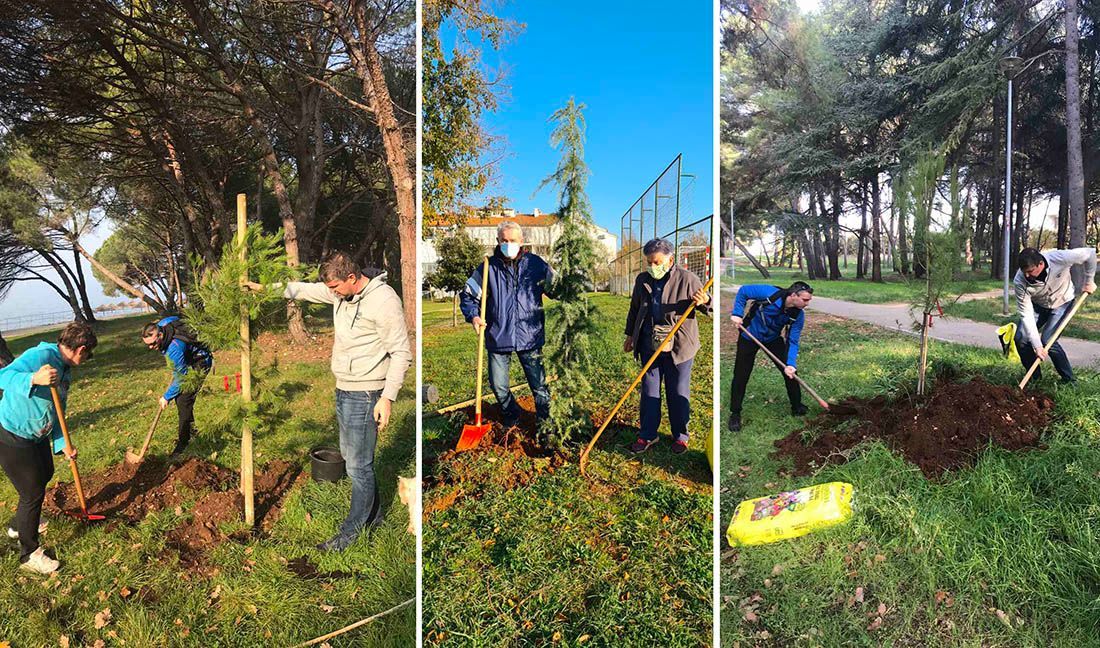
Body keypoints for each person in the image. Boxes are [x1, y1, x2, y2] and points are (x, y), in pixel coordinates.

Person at [247, 251, 411, 551]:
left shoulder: (384, 301)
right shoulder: (341, 293)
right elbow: (301, 289)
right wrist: (261, 287)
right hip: (344, 388)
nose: (331, 293)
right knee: (352, 460)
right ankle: (373, 517)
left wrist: (387, 398)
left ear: (352, 277)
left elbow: (401, 353)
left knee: (358, 467)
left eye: (335, 288)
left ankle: (350, 534)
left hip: (366, 393)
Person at [0, 322, 97, 574]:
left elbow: (57, 409)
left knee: (45, 474)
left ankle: (17, 526)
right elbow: (3, 376)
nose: (86, 359)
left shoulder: (65, 368)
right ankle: (29, 554)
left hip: (38, 434)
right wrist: (34, 377)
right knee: (31, 492)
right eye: (88, 355)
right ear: (81, 349)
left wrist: (62, 442)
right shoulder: (39, 356)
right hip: (12, 433)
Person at [459, 221, 553, 430]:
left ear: (521, 242)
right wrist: (474, 317)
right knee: (499, 386)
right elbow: (468, 295)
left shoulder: (536, 265)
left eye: (512, 241)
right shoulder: (487, 267)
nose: (508, 244)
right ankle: (512, 413)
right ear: (498, 241)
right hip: (498, 336)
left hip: (530, 336)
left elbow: (555, 288)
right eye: (504, 241)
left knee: (539, 386)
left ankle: (545, 423)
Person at [623, 239, 711, 454]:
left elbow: (711, 308)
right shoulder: (643, 280)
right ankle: (648, 435)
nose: (653, 267)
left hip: (679, 346)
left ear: (671, 259)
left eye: (657, 262)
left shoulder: (687, 279)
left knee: (677, 390)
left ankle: (680, 436)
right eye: (649, 262)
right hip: (648, 343)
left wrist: (705, 300)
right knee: (649, 389)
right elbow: (635, 309)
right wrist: (630, 335)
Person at [728, 282, 814, 432]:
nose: (807, 304)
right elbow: (744, 291)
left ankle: (797, 407)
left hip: (772, 340)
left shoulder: (797, 315)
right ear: (793, 295)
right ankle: (735, 413)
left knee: (791, 374)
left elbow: (792, 340)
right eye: (805, 300)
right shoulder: (769, 293)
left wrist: (791, 363)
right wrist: (737, 313)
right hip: (749, 336)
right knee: (741, 375)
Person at [1013, 247, 1097, 384]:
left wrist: (1089, 280)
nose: (1027, 275)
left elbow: (1090, 254)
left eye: (1030, 271)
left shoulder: (1059, 258)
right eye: (1024, 272)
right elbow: (1026, 315)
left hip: (1062, 302)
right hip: (1038, 306)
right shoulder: (1020, 281)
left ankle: (1069, 380)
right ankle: (1035, 378)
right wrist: (1037, 346)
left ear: (1040, 264)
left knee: (1048, 340)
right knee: (1021, 338)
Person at [141, 316, 213, 455]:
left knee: (183, 400)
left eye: (153, 343)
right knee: (181, 399)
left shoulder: (174, 349)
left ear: (160, 335)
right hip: (188, 357)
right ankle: (191, 430)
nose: (151, 347)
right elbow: (177, 317)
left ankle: (184, 442)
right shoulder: (164, 324)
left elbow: (181, 378)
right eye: (147, 344)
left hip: (201, 362)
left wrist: (166, 397)